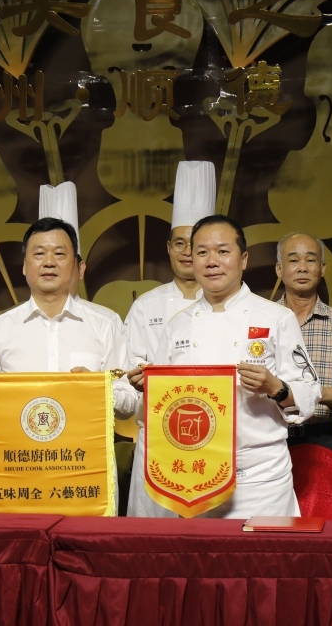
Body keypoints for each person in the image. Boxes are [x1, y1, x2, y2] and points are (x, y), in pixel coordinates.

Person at [127, 215, 322, 518]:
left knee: (262, 564)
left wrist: (276, 387)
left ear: (243, 259)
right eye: (202, 252)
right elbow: (165, 406)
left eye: (223, 251)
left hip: (259, 480)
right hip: (195, 475)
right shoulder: (178, 325)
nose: (212, 261)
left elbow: (310, 392)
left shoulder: (275, 318)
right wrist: (148, 387)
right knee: (201, 564)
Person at [0, 217, 135, 421]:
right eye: (39, 254)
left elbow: (129, 403)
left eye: (59, 254)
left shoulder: (104, 325)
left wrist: (98, 389)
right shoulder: (0, 329)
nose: (49, 262)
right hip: (20, 450)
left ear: (75, 265)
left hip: (84, 450)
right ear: (25, 266)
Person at [125, 161, 211, 517]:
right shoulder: (147, 306)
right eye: (180, 243)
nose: (188, 252)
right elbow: (127, 373)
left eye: (197, 244)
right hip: (157, 437)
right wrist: (135, 379)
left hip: (214, 436)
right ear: (169, 248)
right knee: (150, 541)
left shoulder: (230, 305)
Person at [274, 232, 332, 456]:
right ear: (279, 269)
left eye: (310, 260)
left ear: (322, 269)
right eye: (293, 260)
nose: (302, 268)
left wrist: (308, 393)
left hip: (323, 438)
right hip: (270, 438)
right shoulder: (261, 322)